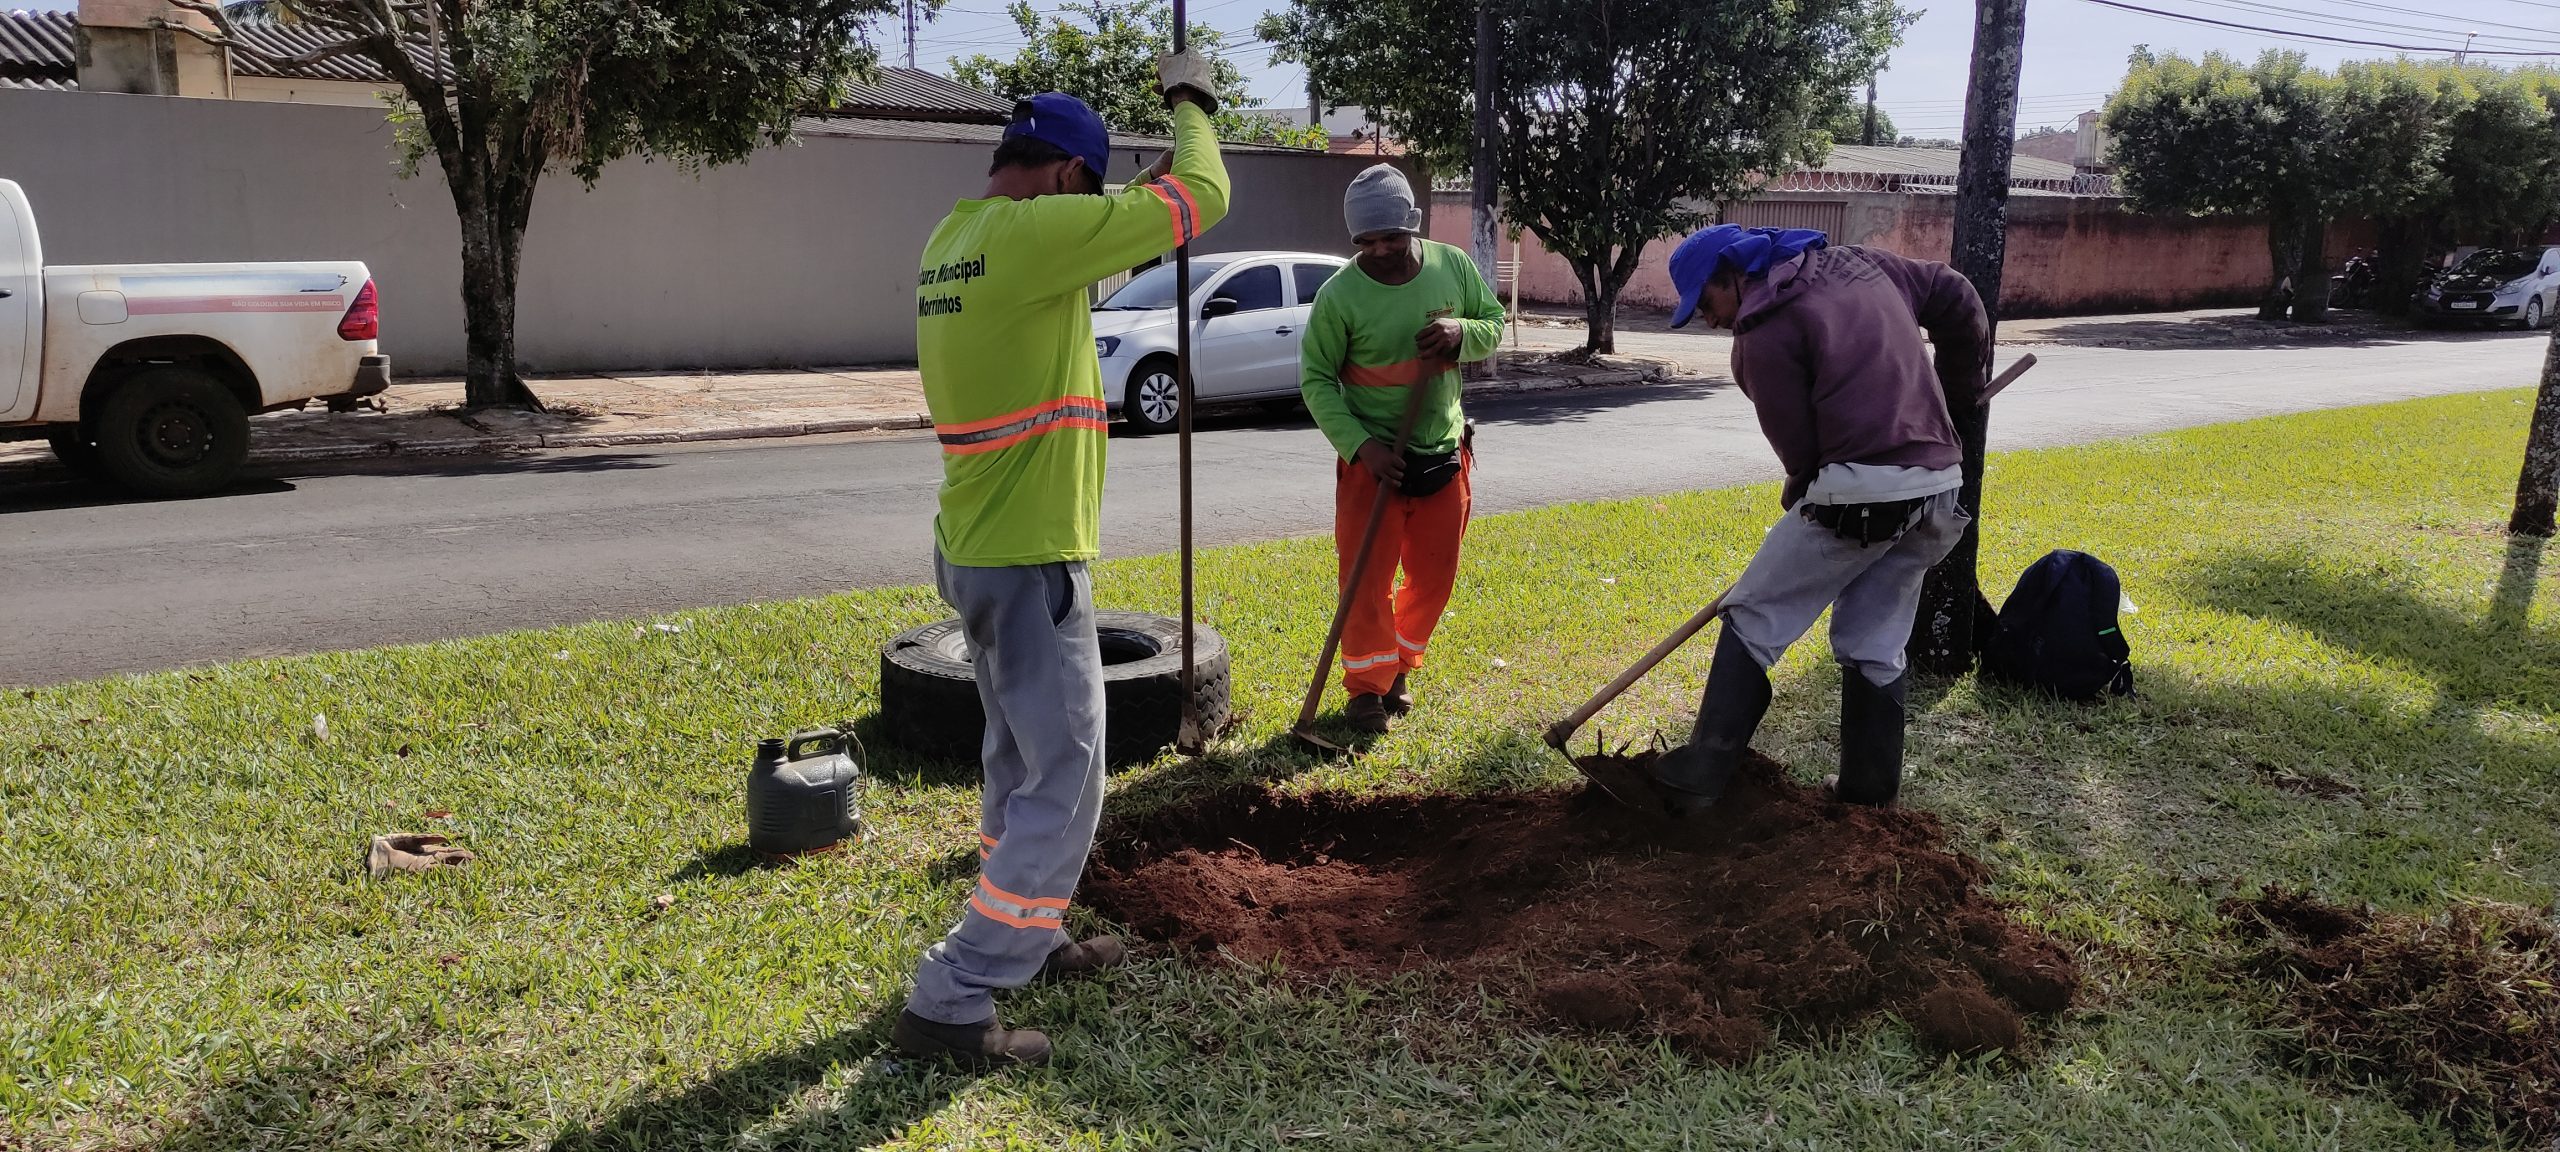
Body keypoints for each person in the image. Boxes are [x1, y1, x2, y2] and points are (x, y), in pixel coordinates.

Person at [894, 60, 1229, 1070]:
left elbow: (1102, 252)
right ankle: (954, 994)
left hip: (976, 547)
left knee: (1017, 763)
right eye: (1091, 195)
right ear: (1067, 180)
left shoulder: (956, 240)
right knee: (1070, 776)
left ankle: (1029, 938)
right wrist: (1193, 106)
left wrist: (1128, 204)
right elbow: (1203, 196)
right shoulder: (1037, 237)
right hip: (1030, 556)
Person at [1630, 224, 1988, 815]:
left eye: (1706, 302)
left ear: (1734, 275)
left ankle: (1700, 776)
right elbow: (1955, 294)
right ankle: (1869, 795)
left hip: (1861, 494)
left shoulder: (1760, 332)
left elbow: (1801, 453)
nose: (1709, 320)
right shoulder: (1864, 263)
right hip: (1938, 487)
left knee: (1753, 614)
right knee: (1874, 640)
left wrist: (1801, 496)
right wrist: (1961, 394)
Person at [1298, 164, 1506, 734]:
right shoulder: (1340, 296)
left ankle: (1399, 667)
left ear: (1412, 225)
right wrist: (1362, 447)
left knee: (1434, 576)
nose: (1379, 251)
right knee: (1365, 581)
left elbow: (1492, 321)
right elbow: (1316, 381)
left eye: (1390, 237)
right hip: (1373, 465)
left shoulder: (1451, 267)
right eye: (1366, 242)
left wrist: (1462, 334)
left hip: (1442, 452)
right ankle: (1367, 689)